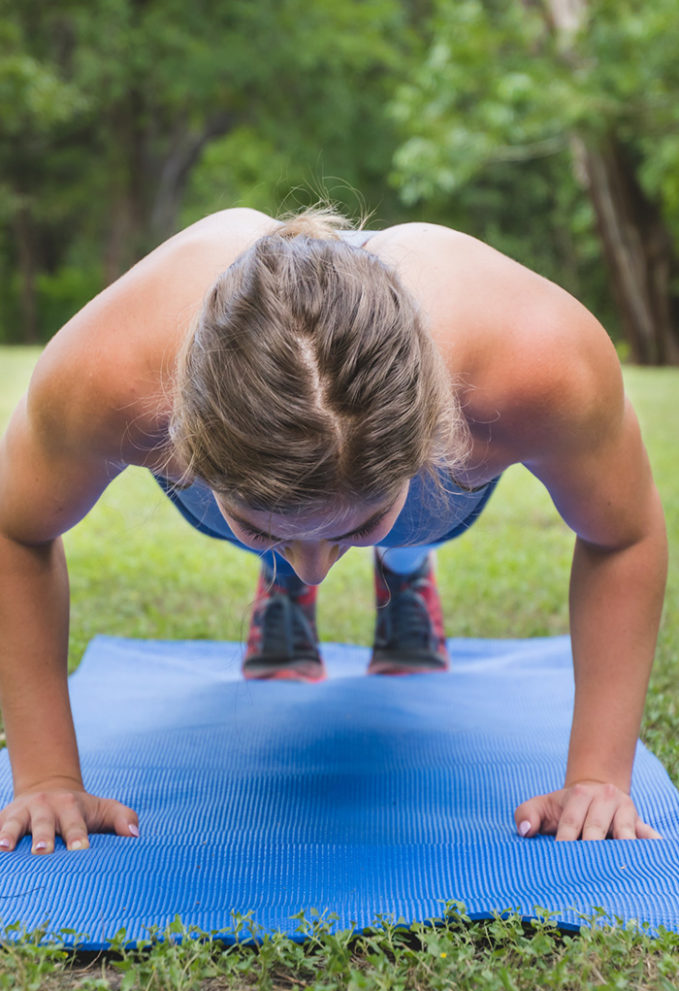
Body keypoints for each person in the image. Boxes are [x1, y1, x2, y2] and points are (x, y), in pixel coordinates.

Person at [0, 207, 667, 855]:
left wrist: (596, 776)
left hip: (428, 471)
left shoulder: (534, 363)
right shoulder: (110, 374)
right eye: (269, 536)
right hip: (256, 447)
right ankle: (312, 524)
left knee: (373, 519)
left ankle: (397, 557)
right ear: (179, 434)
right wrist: (47, 778)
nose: (316, 570)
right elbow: (14, 532)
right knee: (309, 509)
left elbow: (623, 535)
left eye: (357, 529)